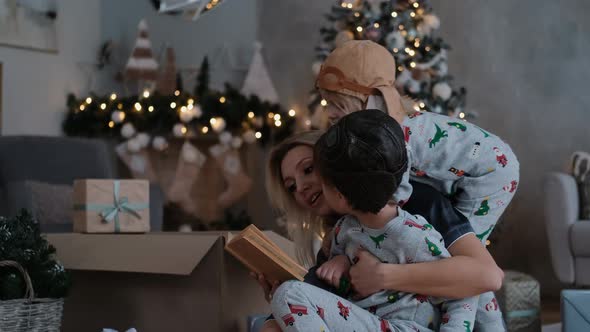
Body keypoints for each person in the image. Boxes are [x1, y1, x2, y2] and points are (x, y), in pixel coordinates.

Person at [269, 109, 478, 331]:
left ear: (340, 188)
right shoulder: (343, 231)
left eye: (310, 170)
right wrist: (342, 263)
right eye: (291, 187)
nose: (300, 188)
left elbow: (465, 291)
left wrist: (383, 276)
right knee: (285, 299)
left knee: (288, 294)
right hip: (371, 322)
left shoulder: (413, 232)